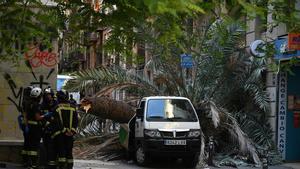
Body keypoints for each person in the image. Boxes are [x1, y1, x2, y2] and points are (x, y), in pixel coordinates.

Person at [23, 87, 53, 169]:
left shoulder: (28, 104)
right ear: (38, 96)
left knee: (28, 145)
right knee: (34, 147)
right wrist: (46, 115)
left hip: (28, 127)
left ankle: (27, 163)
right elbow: (38, 118)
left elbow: (25, 116)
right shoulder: (36, 105)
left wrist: (26, 126)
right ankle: (34, 165)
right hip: (36, 128)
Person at [52, 90, 78, 169]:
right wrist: (72, 131)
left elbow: (57, 122)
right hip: (70, 135)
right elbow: (76, 121)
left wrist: (64, 131)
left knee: (61, 153)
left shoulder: (56, 108)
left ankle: (62, 167)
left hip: (60, 135)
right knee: (69, 152)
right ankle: (69, 167)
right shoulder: (73, 108)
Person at [40, 87, 57, 169]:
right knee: (45, 146)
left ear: (52, 95)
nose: (48, 97)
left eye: (49, 95)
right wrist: (45, 123)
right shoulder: (42, 105)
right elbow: (40, 117)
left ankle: (52, 163)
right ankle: (47, 162)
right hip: (45, 130)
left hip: (55, 130)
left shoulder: (56, 104)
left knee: (53, 147)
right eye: (46, 95)